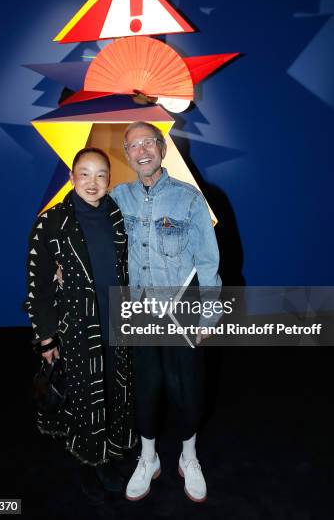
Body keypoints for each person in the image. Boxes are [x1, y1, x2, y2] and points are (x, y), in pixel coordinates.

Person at [111, 121, 222, 503]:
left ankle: (188, 458)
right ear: (126, 155)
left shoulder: (189, 198)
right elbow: (84, 226)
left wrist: (209, 314)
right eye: (133, 146)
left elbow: (208, 262)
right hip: (139, 308)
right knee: (145, 388)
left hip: (181, 306)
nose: (142, 151)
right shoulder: (117, 197)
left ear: (161, 147)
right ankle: (148, 457)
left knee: (187, 387)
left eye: (148, 143)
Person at [24, 147, 135, 504]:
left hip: (117, 319)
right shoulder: (51, 221)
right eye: (83, 174)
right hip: (76, 326)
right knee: (85, 395)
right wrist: (45, 337)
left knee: (116, 389)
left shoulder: (119, 215)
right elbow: (38, 285)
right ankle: (88, 460)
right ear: (71, 178)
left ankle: (111, 452)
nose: (92, 181)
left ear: (110, 180)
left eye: (100, 174)